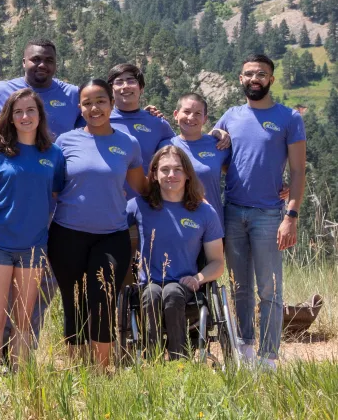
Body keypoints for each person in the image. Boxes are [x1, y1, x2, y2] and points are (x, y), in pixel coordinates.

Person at [48, 79, 148, 369]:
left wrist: (189, 194)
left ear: (112, 104)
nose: (94, 108)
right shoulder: (64, 142)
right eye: (87, 103)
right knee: (74, 304)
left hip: (112, 236)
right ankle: (78, 371)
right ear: (80, 108)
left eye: (101, 101)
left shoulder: (128, 143)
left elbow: (142, 187)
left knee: (103, 303)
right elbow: (52, 189)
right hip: (67, 235)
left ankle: (103, 373)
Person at [214, 54, 306, 369]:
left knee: (270, 288)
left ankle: (268, 358)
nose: (255, 79)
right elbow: (212, 153)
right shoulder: (230, 116)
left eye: (261, 74)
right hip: (232, 211)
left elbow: (298, 171)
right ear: (241, 79)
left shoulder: (289, 117)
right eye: (249, 74)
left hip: (269, 215)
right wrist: (216, 135)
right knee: (240, 287)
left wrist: (291, 215)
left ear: (271, 79)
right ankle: (245, 351)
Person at [0, 89, 65, 369]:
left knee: (24, 320)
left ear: (40, 115)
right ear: (10, 117)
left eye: (30, 110)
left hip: (33, 245)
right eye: (18, 112)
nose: (25, 116)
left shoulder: (53, 154)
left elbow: (55, 194)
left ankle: (20, 379)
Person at [127, 146, 225, 360]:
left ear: (188, 174)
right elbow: (110, 226)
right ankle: (152, 360)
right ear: (154, 174)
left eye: (177, 169)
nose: (171, 175)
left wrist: (198, 278)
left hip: (185, 285)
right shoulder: (138, 206)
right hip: (149, 284)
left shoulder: (204, 212)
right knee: (152, 293)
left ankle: (178, 360)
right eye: (164, 169)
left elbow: (218, 263)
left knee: (171, 292)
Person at [0, 39, 84, 138]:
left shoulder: (74, 95)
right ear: (24, 62)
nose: (42, 65)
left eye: (49, 60)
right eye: (36, 59)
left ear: (55, 64)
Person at [106, 63, 175, 196]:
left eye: (131, 81)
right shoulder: (101, 122)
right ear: (111, 89)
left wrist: (216, 133)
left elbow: (178, 154)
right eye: (119, 82)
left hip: (147, 201)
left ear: (141, 88)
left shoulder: (158, 123)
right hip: (109, 202)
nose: (125, 86)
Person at [167, 93, 231, 228]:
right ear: (176, 114)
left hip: (212, 225)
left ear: (205, 119)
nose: (191, 117)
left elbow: (240, 172)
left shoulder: (218, 145)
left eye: (198, 113)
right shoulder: (165, 146)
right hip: (177, 225)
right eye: (186, 112)